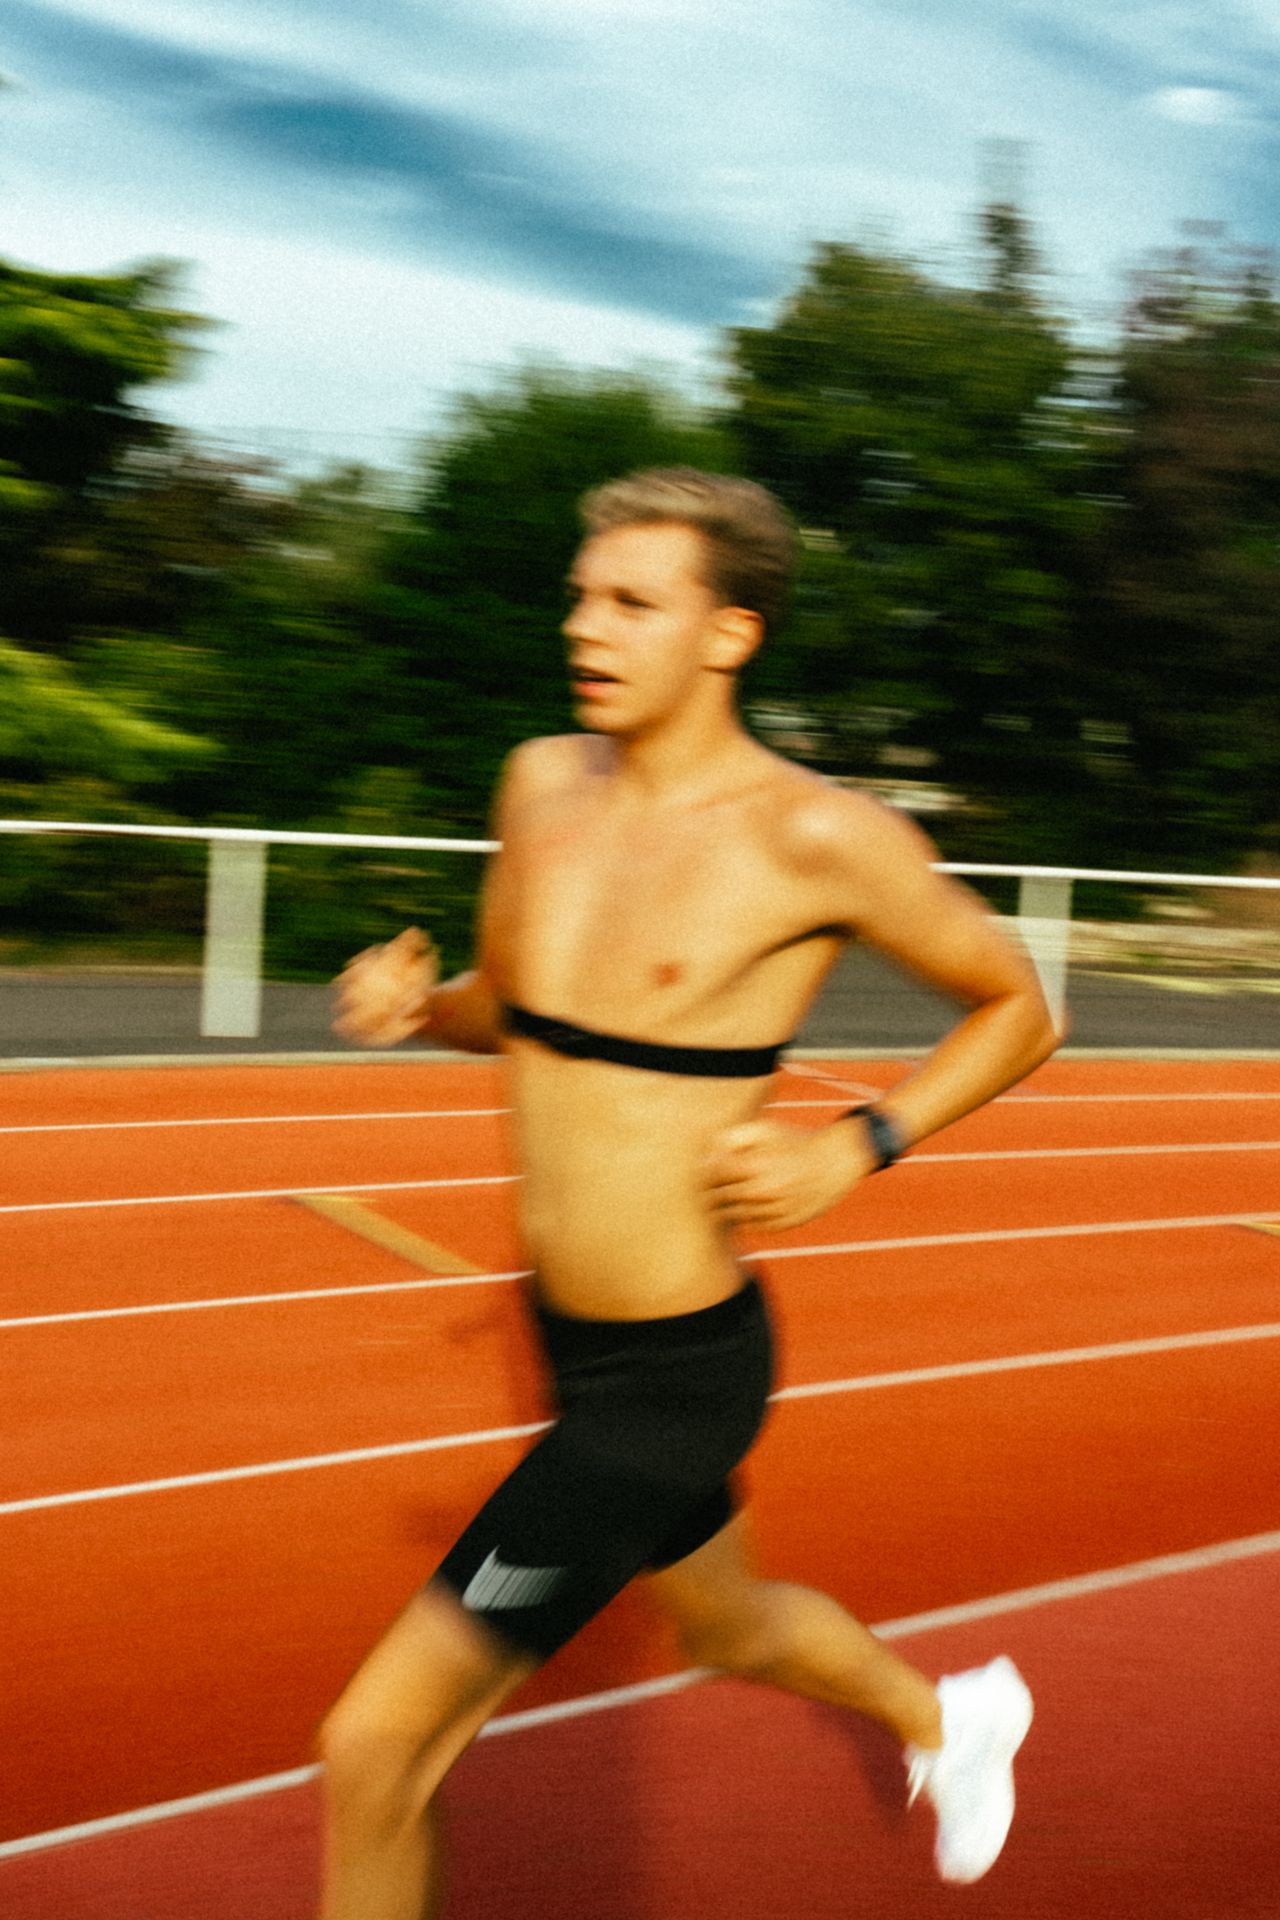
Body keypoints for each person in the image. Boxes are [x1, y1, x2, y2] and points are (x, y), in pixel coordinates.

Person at [323, 467, 1059, 1917]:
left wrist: (856, 1143)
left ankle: (946, 1720)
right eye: (580, 597)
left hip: (679, 1370)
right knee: (725, 1626)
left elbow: (1021, 1007)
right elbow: (524, 1010)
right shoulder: (540, 782)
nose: (583, 627)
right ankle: (951, 1718)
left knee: (374, 1746)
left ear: (729, 634)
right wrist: (421, 1008)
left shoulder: (817, 837)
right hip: (571, 1338)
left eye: (630, 603)